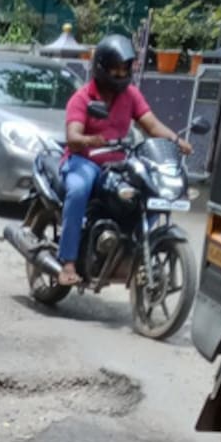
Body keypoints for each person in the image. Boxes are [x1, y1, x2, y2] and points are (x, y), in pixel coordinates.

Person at [57, 34, 193, 286]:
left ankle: (130, 251)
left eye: (124, 69)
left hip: (117, 163)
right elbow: (73, 136)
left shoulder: (130, 95)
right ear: (102, 68)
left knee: (149, 191)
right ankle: (68, 262)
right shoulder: (83, 97)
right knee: (78, 190)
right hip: (83, 161)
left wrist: (176, 140)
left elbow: (151, 125)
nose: (120, 75)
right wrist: (90, 140)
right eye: (115, 70)